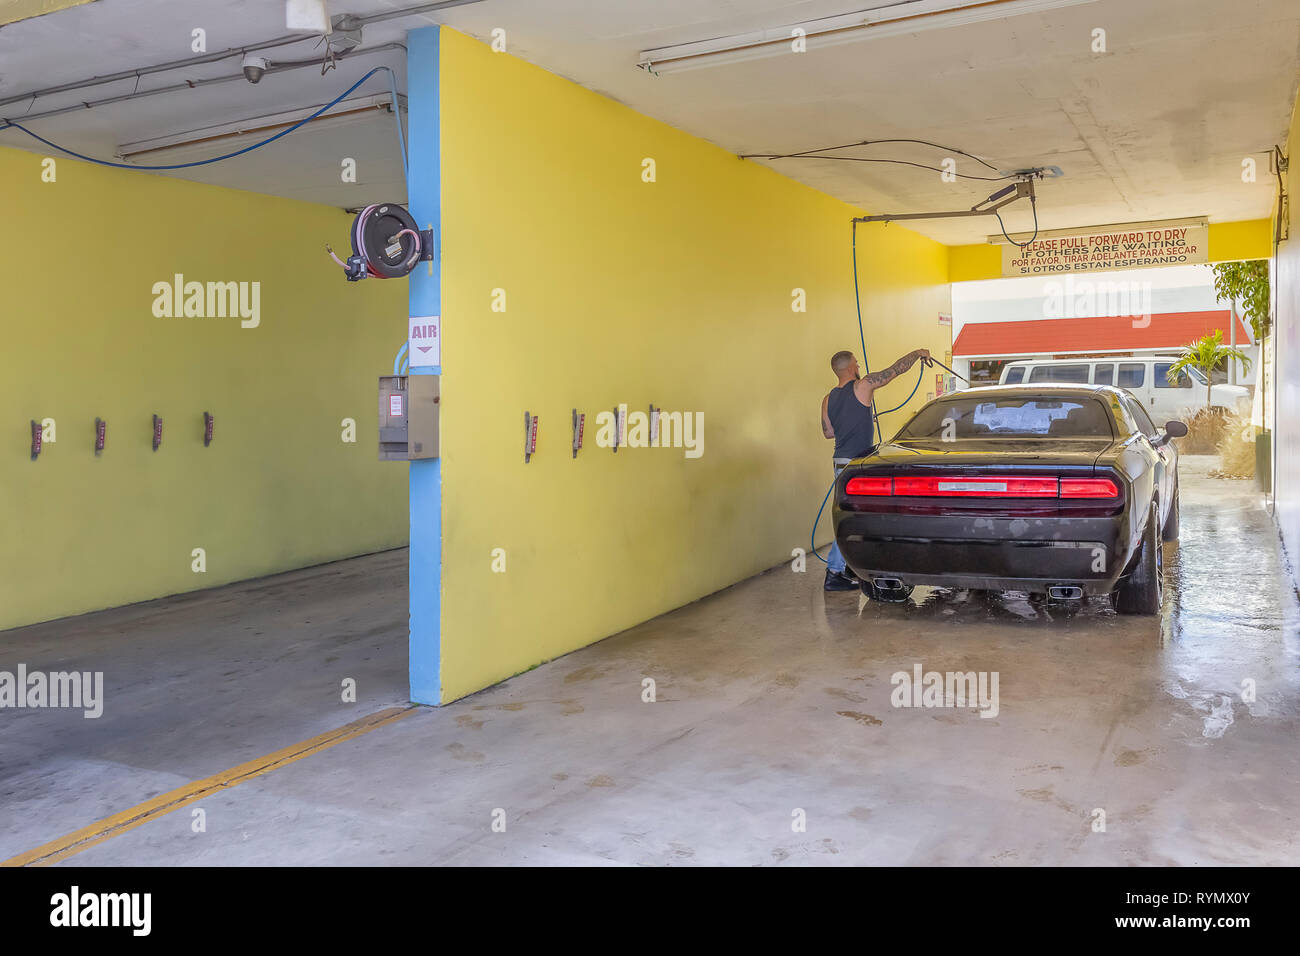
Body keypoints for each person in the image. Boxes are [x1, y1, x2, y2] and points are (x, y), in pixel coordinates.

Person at [820, 347, 930, 591]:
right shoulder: (862, 385)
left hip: (840, 461)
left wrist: (858, 420)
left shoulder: (828, 398)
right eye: (857, 364)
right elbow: (895, 370)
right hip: (857, 463)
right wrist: (918, 353)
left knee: (850, 514)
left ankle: (846, 566)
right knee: (855, 518)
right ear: (851, 367)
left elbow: (828, 433)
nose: (859, 368)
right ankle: (834, 572)